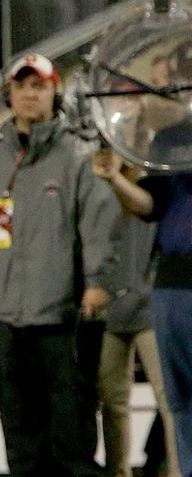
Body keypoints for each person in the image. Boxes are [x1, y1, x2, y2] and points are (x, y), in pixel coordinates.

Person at [0, 54, 117, 476]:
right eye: (22, 86)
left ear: (54, 91)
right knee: (20, 435)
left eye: (39, 86)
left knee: (71, 435)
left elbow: (97, 224)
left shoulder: (76, 154)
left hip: (60, 315)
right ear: (8, 94)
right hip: (5, 316)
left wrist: (97, 281)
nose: (30, 94)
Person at [92, 146, 192, 475]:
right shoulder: (104, 184)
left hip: (154, 302)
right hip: (118, 303)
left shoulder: (167, 163)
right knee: (118, 401)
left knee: (170, 401)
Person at [98, 204, 180, 477]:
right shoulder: (95, 189)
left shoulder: (154, 188)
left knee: (170, 401)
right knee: (112, 402)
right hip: (109, 307)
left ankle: (178, 470)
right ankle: (117, 471)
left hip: (150, 308)